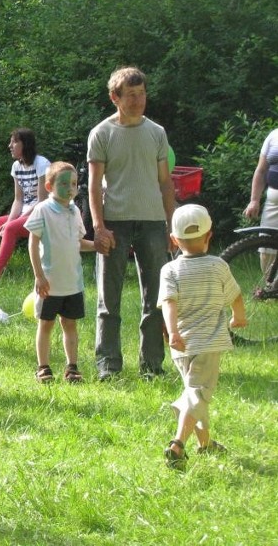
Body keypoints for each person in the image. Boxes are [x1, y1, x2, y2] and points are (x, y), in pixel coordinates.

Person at [89, 67, 176, 381]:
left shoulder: (157, 132)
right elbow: (94, 185)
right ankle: (108, 366)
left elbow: (166, 183)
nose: (139, 100)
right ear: (115, 97)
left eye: (142, 94)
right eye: (131, 95)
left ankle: (152, 366)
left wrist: (172, 225)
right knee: (108, 300)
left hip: (153, 222)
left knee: (155, 298)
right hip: (115, 223)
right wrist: (99, 227)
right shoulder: (102, 133)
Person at [158, 204, 246, 470]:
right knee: (197, 395)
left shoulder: (169, 270)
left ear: (174, 239)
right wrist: (238, 317)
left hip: (181, 345)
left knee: (195, 393)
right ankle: (177, 443)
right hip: (208, 344)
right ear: (210, 236)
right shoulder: (219, 266)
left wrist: (173, 332)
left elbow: (169, 303)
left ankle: (205, 444)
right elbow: (236, 295)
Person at [26, 162, 96, 384]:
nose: (70, 188)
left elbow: (78, 243)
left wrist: (97, 246)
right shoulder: (43, 210)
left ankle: (72, 367)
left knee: (70, 324)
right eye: (64, 183)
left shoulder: (75, 211)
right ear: (49, 186)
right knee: (46, 324)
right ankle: (43, 367)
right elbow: (32, 243)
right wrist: (39, 275)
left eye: (74, 184)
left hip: (72, 283)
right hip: (50, 282)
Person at [0, 128, 50, 281]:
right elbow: (18, 200)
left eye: (14, 142)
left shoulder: (42, 163)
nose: (9, 145)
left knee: (11, 228)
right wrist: (9, 221)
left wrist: (11, 224)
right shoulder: (16, 166)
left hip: (41, 215)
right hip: (23, 214)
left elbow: (42, 201)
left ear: (25, 144)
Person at [243, 127, 278, 272]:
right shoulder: (273, 136)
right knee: (266, 250)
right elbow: (261, 170)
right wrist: (254, 200)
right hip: (273, 202)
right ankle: (271, 289)